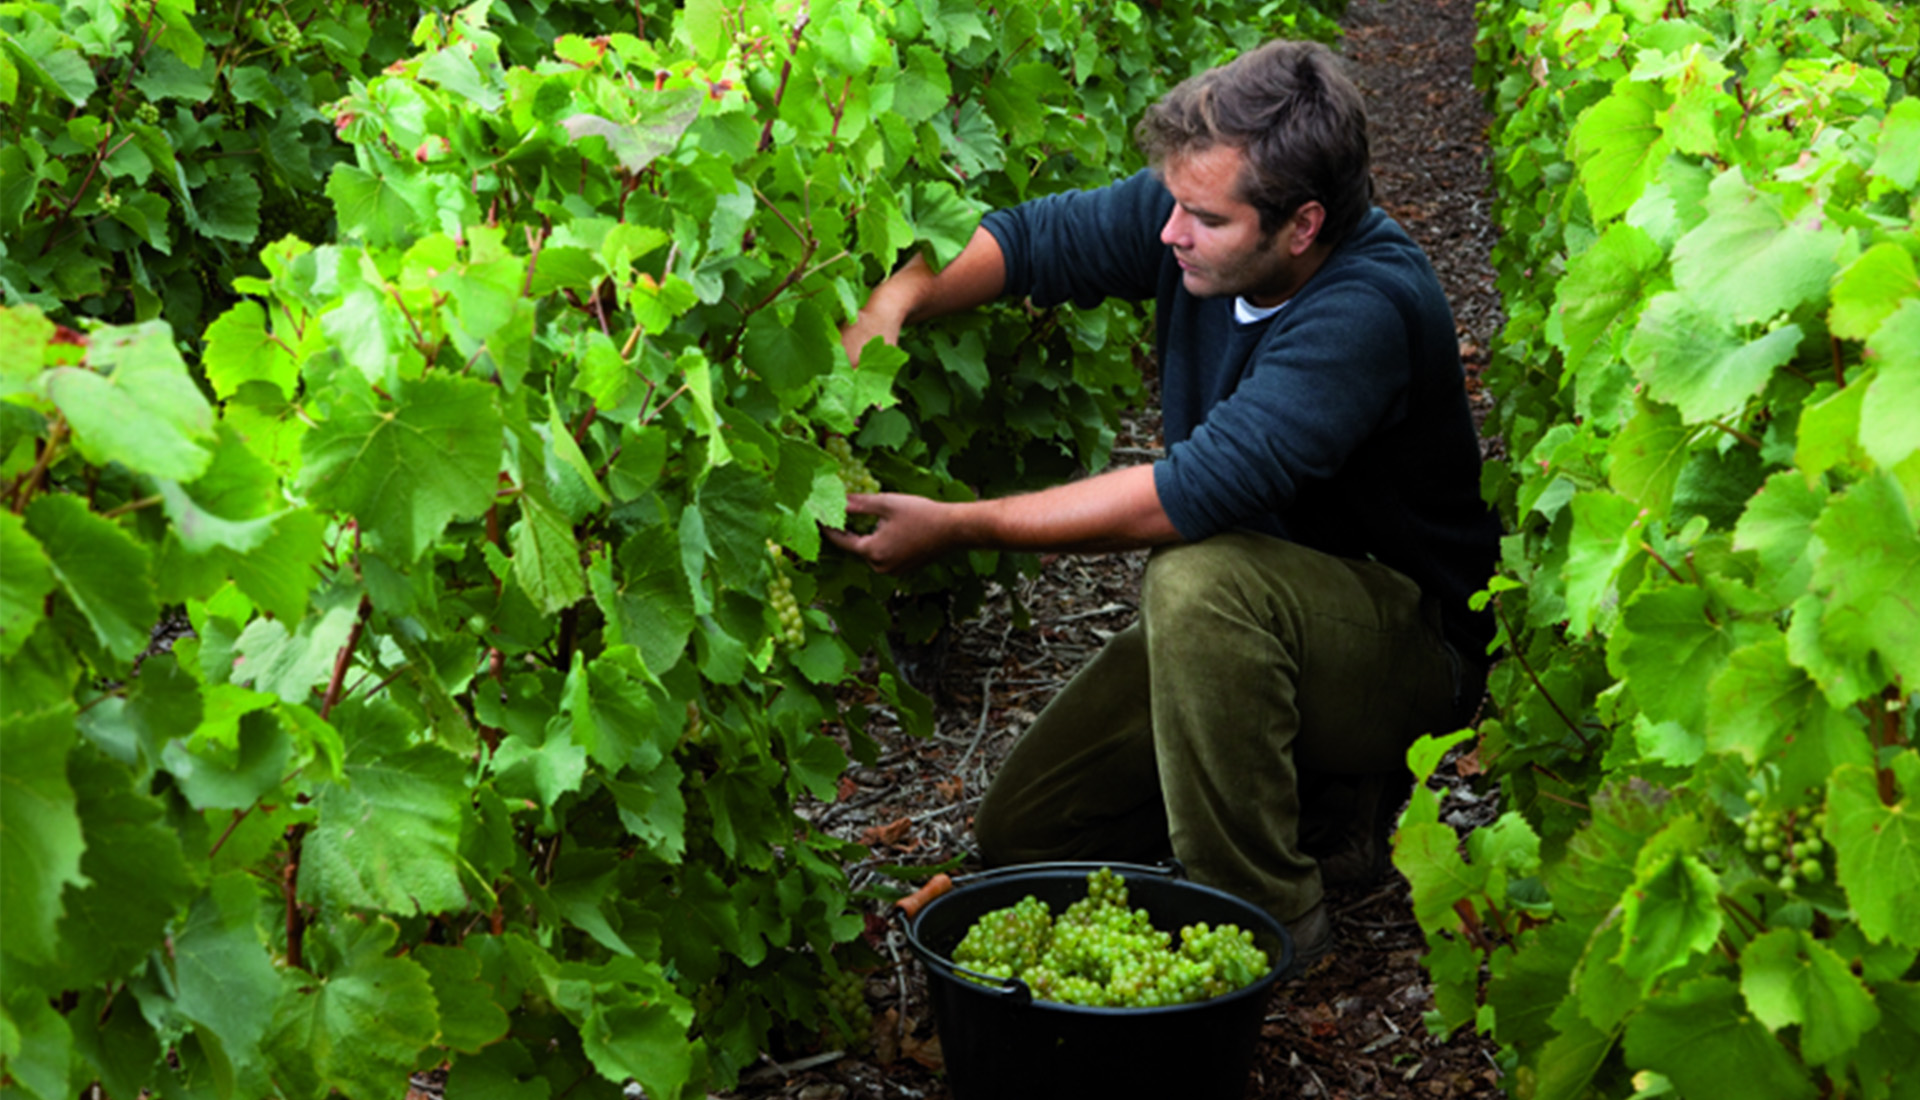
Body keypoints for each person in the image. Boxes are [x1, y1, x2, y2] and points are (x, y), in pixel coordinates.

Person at [827, 39, 1500, 976]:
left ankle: (1273, 922)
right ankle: (1307, 795)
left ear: (1301, 225)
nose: (1169, 233)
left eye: (1203, 219)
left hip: (1403, 643)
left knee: (1193, 579)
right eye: (1175, 203)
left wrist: (961, 525)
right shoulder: (1203, 205)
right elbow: (1031, 242)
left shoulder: (1367, 310)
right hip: (1261, 615)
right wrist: (894, 303)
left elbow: (1188, 496)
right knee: (1028, 831)